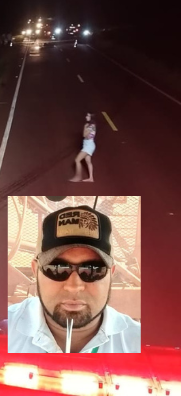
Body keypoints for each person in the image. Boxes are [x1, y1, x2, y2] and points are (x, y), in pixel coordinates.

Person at [8, 205, 141, 353]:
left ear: (111, 274)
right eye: (57, 269)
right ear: (35, 270)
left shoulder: (135, 343)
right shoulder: (5, 331)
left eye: (92, 270)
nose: (74, 286)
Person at [69, 112, 96, 182]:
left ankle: (78, 177)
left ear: (90, 118)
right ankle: (91, 178)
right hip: (90, 145)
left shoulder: (87, 125)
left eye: (87, 116)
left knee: (77, 160)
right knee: (88, 161)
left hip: (88, 146)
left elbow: (84, 135)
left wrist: (86, 129)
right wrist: (88, 131)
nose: (86, 117)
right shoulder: (93, 126)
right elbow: (89, 135)